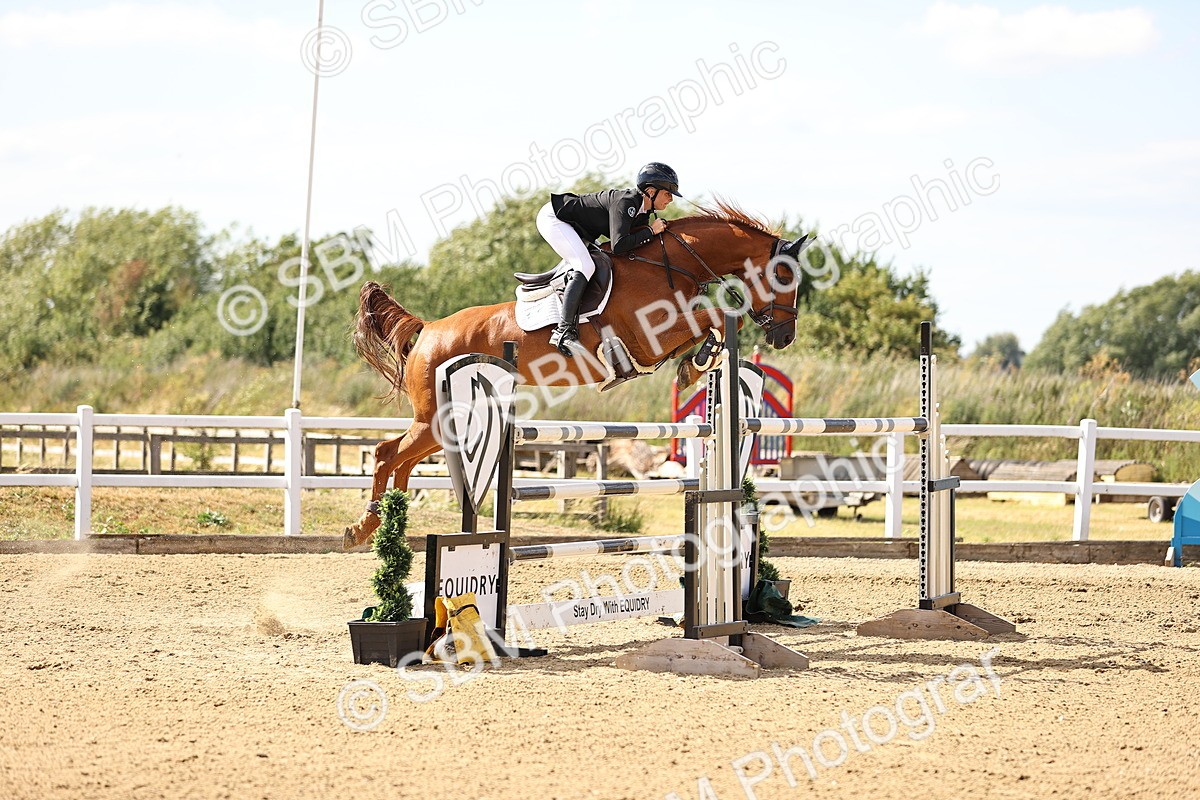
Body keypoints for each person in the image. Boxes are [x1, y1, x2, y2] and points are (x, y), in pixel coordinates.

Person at [536, 162, 682, 356]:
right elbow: (619, 245)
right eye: (668, 194)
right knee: (585, 265)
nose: (671, 199)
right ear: (650, 192)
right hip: (556, 219)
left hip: (579, 229)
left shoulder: (642, 213)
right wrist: (650, 231)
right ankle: (563, 331)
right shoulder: (626, 202)